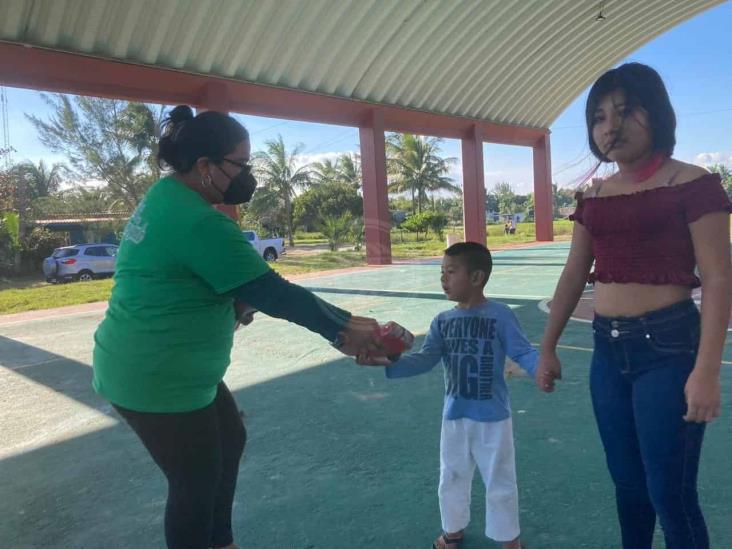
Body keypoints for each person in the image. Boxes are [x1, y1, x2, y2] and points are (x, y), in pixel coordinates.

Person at [92, 105, 391, 549]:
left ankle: (221, 542)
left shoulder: (167, 195)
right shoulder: (198, 221)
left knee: (228, 439)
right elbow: (274, 293)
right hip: (157, 376)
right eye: (241, 164)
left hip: (172, 368)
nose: (247, 175)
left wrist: (336, 327)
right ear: (205, 166)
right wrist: (345, 329)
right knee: (193, 480)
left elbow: (227, 285)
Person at [536, 63, 731, 549]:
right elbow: (573, 274)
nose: (611, 126)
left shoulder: (693, 183)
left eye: (625, 111)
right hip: (607, 352)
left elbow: (719, 277)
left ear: (658, 113)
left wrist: (706, 372)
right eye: (599, 117)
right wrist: (547, 347)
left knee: (670, 492)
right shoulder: (594, 195)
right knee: (628, 486)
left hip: (669, 350)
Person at [359, 242, 537, 549]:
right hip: (454, 415)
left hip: (493, 418)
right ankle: (453, 530)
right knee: (451, 477)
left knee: (500, 481)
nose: (443, 279)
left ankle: (509, 539)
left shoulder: (501, 315)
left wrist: (541, 369)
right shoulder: (442, 321)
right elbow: (427, 358)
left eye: (451, 272)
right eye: (442, 272)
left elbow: (522, 351)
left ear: (477, 277)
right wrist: (390, 361)